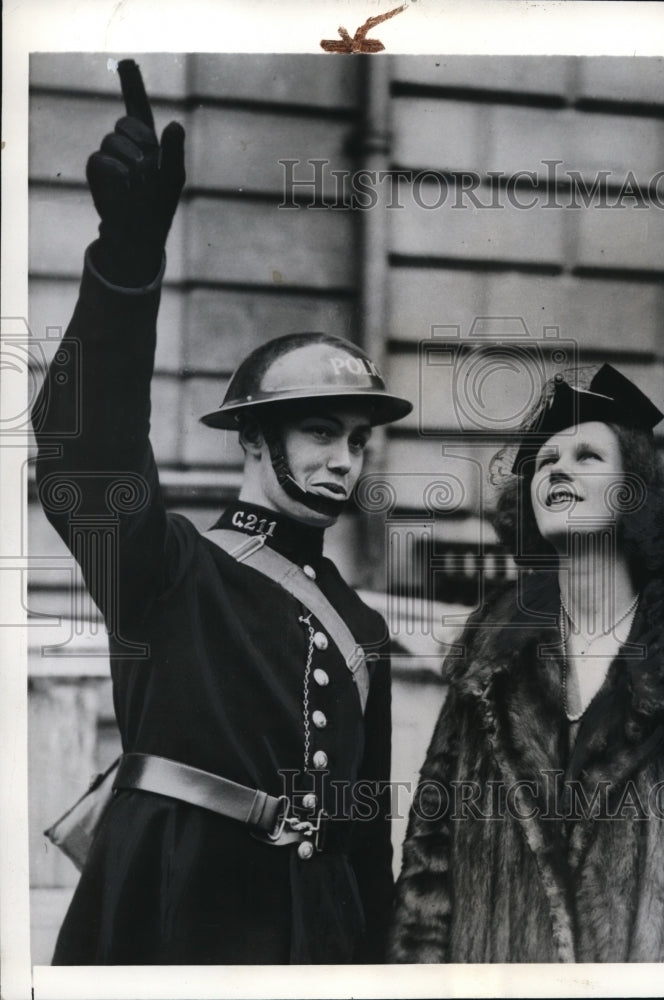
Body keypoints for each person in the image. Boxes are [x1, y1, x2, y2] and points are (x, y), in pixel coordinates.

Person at [32, 60, 412, 965]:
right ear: (249, 441)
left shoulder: (361, 628)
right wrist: (125, 260)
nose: (342, 461)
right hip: (172, 911)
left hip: (314, 934)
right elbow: (86, 454)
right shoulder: (169, 568)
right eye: (320, 433)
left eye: (357, 443)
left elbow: (362, 835)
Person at [388, 364, 664, 963]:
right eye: (545, 460)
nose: (557, 469)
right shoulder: (486, 665)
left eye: (587, 456)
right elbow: (429, 864)